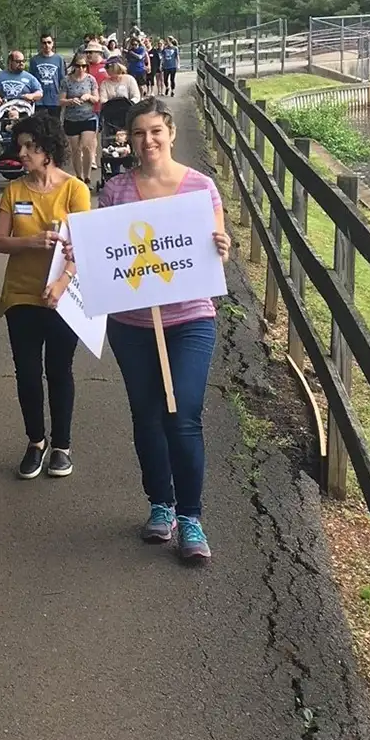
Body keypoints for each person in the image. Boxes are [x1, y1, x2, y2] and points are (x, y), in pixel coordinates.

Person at [96, 98, 232, 562]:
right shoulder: (114, 190)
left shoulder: (200, 187)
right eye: (138, 133)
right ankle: (161, 504)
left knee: (185, 413)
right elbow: (106, 254)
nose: (148, 141)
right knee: (147, 414)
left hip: (190, 318)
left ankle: (191, 518)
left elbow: (216, 248)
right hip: (132, 324)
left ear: (170, 133)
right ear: (128, 139)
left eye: (156, 131)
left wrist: (222, 246)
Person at [0, 113, 91, 481]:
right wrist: (30, 242)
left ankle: (61, 446)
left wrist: (63, 281)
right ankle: (36, 441)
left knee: (59, 370)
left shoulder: (75, 190)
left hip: (61, 297)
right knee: (28, 373)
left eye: (29, 146)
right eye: (20, 146)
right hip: (20, 295)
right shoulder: (13, 191)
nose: (22, 153)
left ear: (47, 149)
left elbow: (84, 248)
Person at [58, 55, 100, 186]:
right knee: (75, 149)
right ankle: (79, 177)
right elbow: (61, 101)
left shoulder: (91, 79)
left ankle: (87, 177)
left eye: (83, 66)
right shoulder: (66, 81)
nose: (81, 69)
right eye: (78, 66)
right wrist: (71, 101)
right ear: (74, 66)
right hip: (71, 118)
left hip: (88, 117)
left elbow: (97, 98)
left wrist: (89, 96)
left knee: (86, 147)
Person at [28, 32, 64, 120]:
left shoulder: (59, 59)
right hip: (39, 100)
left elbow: (62, 79)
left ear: (52, 43)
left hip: (54, 100)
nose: (47, 45)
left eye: (49, 42)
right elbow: (31, 80)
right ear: (41, 44)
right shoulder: (34, 60)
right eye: (44, 43)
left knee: (54, 126)